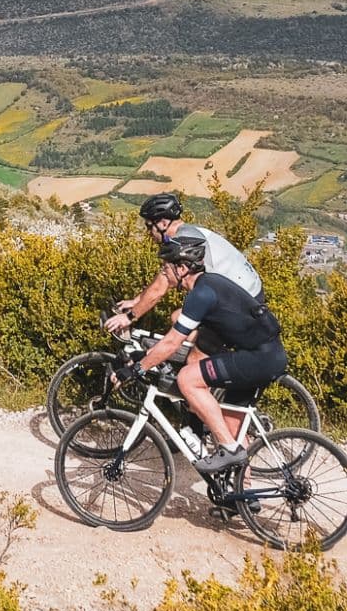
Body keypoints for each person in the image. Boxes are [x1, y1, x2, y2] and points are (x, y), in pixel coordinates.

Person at [122, 233, 288, 475]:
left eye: (166, 267)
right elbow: (177, 337)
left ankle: (228, 449)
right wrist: (146, 357)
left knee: (188, 378)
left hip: (259, 358)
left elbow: (172, 342)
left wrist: (138, 368)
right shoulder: (208, 284)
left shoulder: (201, 294)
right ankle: (240, 491)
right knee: (231, 427)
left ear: (182, 268)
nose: (163, 273)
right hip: (265, 355)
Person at [103, 192, 260, 338]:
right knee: (182, 320)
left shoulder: (183, 244)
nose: (148, 232)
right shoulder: (188, 233)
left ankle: (204, 356)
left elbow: (160, 288)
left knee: (180, 320)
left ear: (163, 223)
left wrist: (129, 317)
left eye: (150, 226)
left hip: (244, 301)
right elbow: (163, 277)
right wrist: (136, 301)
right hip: (247, 292)